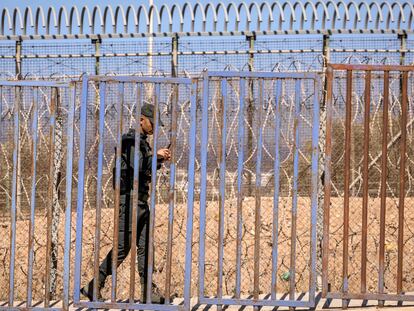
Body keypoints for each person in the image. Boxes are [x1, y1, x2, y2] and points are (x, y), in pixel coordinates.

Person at [80, 103, 171, 303]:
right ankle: (94, 285)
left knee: (145, 246)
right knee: (122, 247)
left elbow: (144, 166)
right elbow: (136, 164)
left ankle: (148, 292)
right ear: (141, 120)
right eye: (152, 123)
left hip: (140, 201)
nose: (154, 127)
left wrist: (158, 160)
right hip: (129, 201)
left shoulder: (143, 142)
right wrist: (156, 155)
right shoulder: (130, 140)